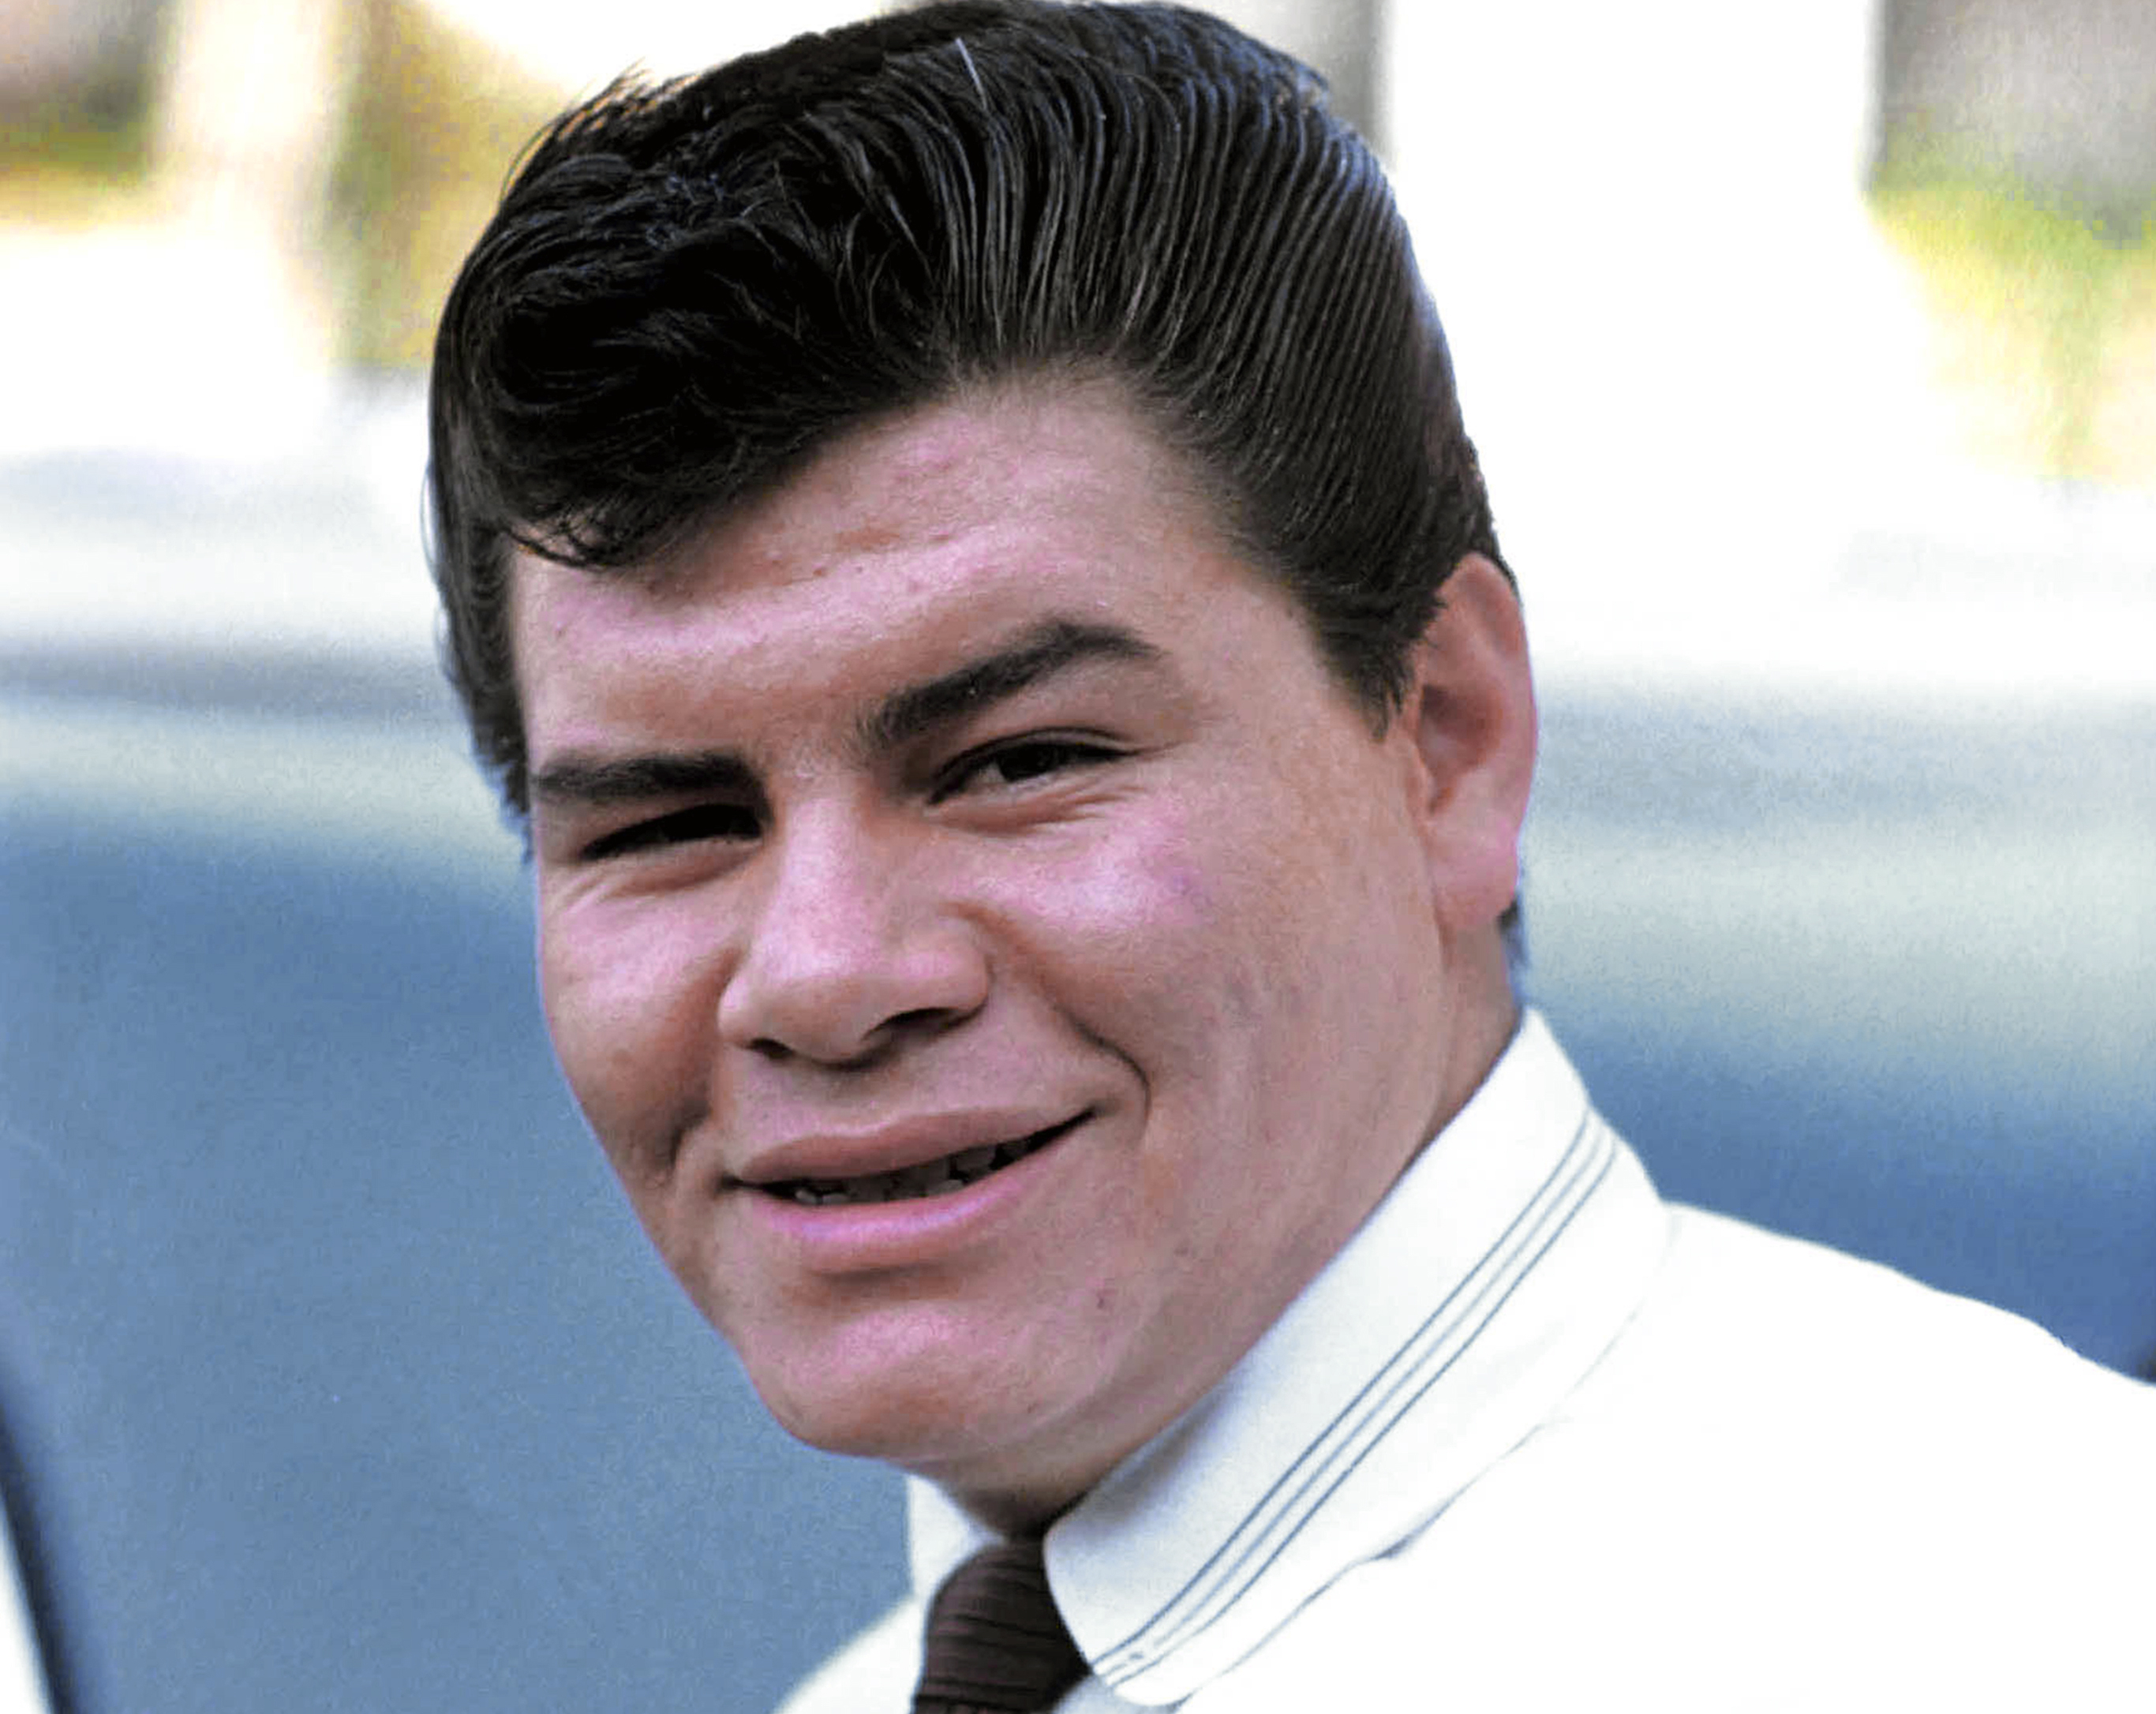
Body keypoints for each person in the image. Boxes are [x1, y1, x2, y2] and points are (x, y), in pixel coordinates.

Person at [425, 4, 2156, 1708]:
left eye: (1021, 762)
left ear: (1448, 740)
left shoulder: (2033, 1617)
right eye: (666, 825)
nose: (823, 977)